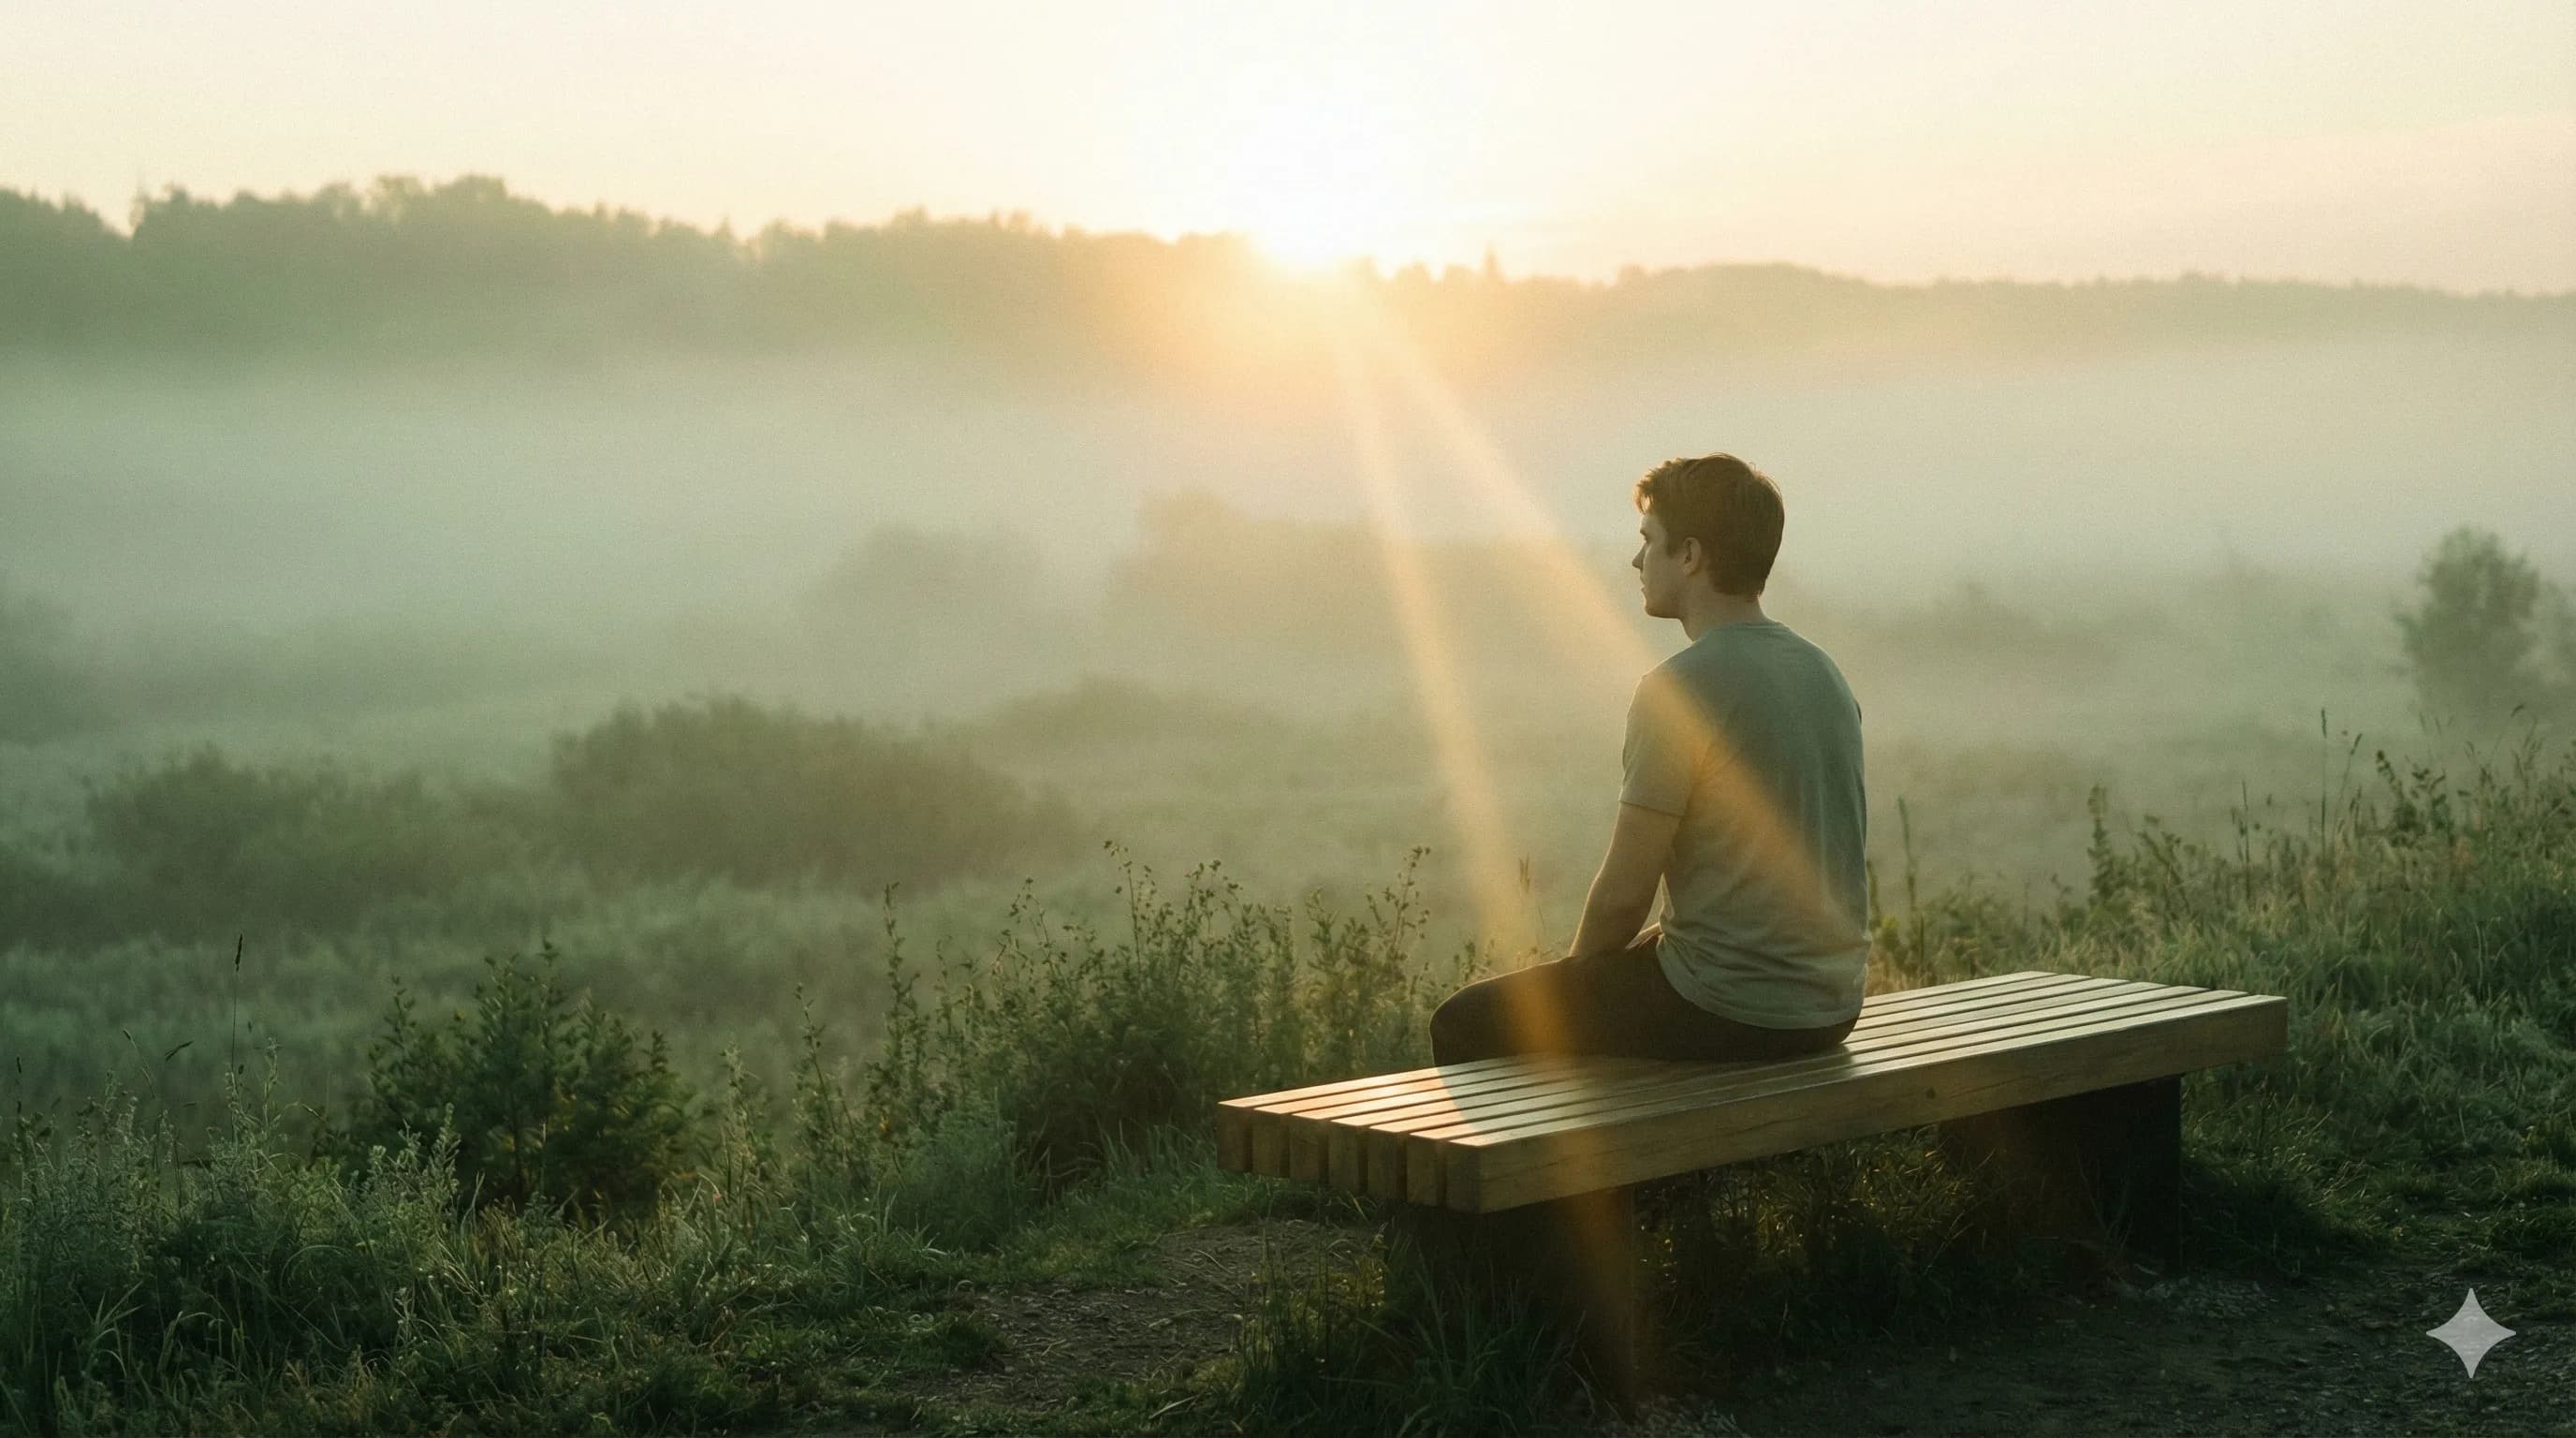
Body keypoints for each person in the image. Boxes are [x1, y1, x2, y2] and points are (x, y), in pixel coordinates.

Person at [1428, 452, 1869, 1066]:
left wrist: (1575, 986)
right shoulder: (1823, 672)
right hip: (1833, 1007)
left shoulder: (1679, 690)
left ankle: (1555, 1162)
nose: (1637, 561)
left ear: (1689, 556)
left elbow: (1622, 896)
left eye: (1648, 541)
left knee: (1463, 1023)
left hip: (1727, 1009)